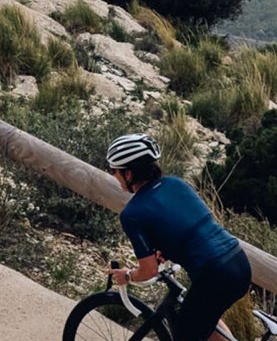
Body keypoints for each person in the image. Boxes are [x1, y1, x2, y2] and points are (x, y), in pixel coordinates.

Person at [106, 134, 251, 341]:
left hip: (213, 274)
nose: (114, 176)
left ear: (128, 174)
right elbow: (188, 224)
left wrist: (127, 276)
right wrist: (168, 248)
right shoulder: (176, 183)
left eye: (115, 171)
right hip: (238, 261)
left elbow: (149, 271)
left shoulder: (132, 214)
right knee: (204, 320)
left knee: (185, 334)